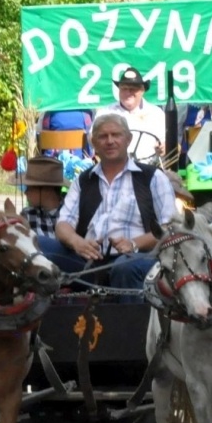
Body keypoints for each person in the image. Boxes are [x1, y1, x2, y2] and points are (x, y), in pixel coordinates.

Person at [36, 113, 178, 291]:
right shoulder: (84, 180)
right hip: (87, 260)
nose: (110, 141)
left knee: (124, 267)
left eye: (116, 135)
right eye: (103, 136)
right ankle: (40, 316)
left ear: (128, 139)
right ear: (94, 144)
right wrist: (76, 242)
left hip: (138, 257)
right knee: (37, 245)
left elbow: (170, 226)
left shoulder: (152, 177)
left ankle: (129, 318)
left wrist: (134, 244)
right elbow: (63, 223)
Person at [100, 66, 167, 160]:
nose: (128, 92)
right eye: (124, 89)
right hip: (115, 168)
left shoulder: (156, 113)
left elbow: (170, 143)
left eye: (133, 89)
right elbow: (93, 138)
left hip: (149, 169)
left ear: (142, 90)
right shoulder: (106, 113)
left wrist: (164, 146)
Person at [20, 156, 65, 235]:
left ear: (46, 190)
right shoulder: (27, 215)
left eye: (29, 188)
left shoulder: (71, 214)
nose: (25, 192)